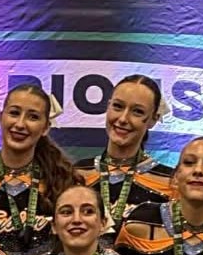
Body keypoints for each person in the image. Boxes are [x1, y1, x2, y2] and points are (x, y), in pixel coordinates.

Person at [0, 84, 75, 255]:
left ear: (45, 127)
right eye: (14, 113)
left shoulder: (63, 182)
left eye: (33, 117)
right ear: (0, 117)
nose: (20, 124)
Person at [74, 76, 176, 233]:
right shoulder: (77, 174)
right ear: (108, 107)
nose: (123, 119)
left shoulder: (170, 182)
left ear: (153, 119)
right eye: (118, 106)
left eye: (137, 112)